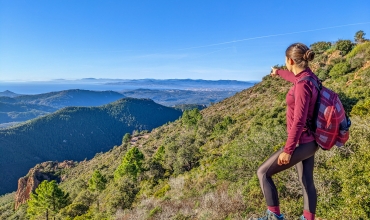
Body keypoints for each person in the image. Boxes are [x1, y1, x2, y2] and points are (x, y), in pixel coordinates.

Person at [249, 43, 320, 220]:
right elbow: (294, 77)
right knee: (306, 182)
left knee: (263, 173)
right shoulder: (310, 77)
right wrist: (278, 72)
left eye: (285, 62)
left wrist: (288, 150)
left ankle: (273, 216)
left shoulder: (302, 85)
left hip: (301, 141)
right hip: (311, 140)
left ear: (289, 60)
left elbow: (299, 120)